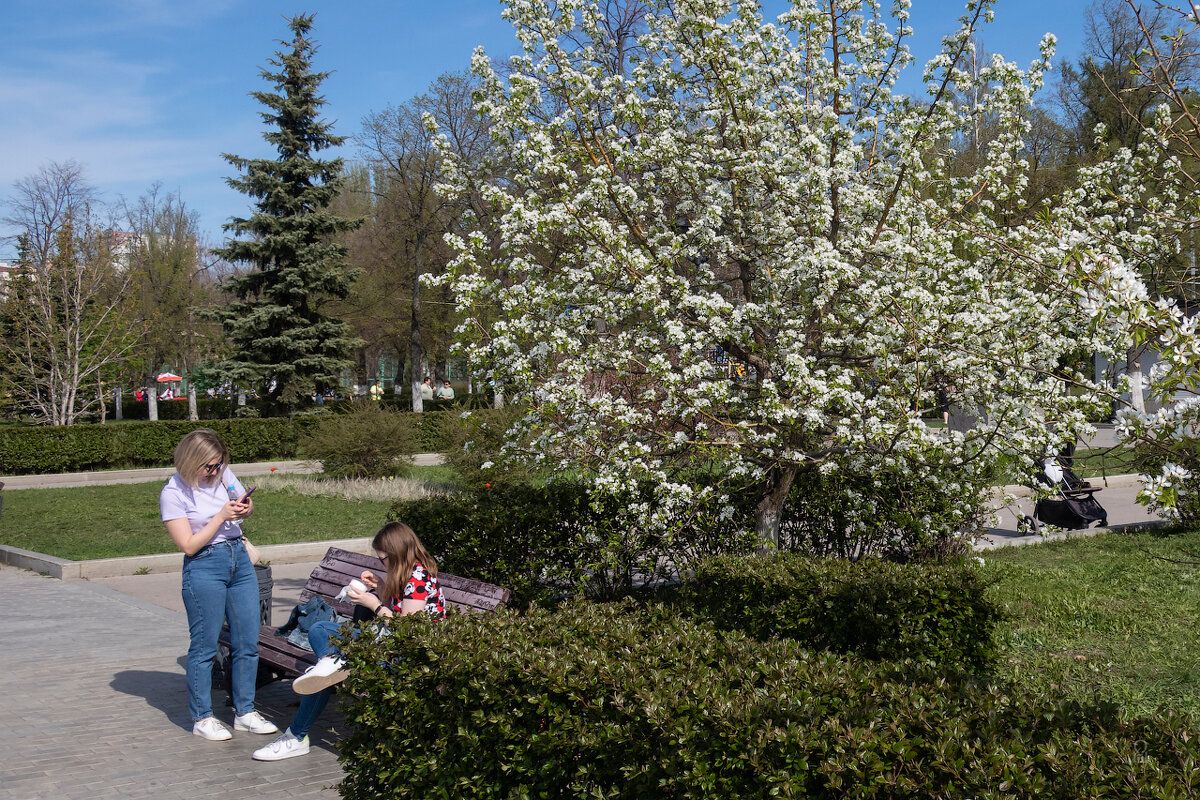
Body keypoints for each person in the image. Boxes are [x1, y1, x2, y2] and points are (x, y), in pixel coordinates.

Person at [252, 521, 446, 761]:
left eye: (382, 559)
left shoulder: (418, 579)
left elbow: (406, 631)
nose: (381, 563)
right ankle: (333, 664)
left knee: (321, 674)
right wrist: (381, 585)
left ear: (397, 554)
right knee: (319, 629)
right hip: (386, 644)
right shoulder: (408, 573)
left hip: (405, 658)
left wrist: (372, 604)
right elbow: (396, 609)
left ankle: (296, 736)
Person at [160, 428, 278, 742]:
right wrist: (220, 516)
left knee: (247, 641)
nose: (215, 471)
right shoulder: (174, 493)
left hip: (238, 558)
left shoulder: (224, 474)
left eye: (219, 464)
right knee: (204, 646)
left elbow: (242, 505)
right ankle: (202, 717)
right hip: (204, 565)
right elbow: (188, 545)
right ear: (190, 461)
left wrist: (244, 509)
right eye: (209, 466)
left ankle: (245, 712)